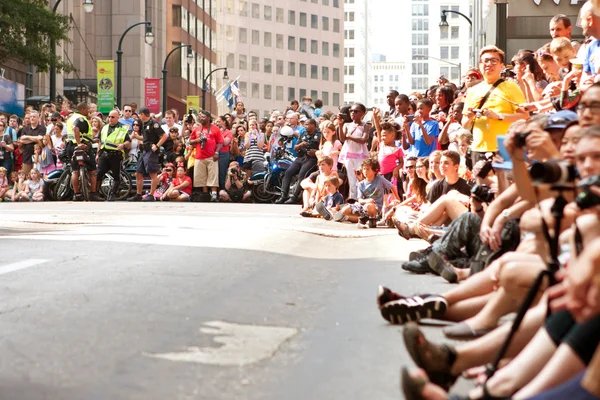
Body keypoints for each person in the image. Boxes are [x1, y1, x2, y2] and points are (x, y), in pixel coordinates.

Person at [462, 46, 527, 162]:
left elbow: (525, 116)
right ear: (480, 65)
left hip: (504, 148)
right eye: (485, 61)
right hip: (478, 149)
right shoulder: (472, 90)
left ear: (502, 65)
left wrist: (499, 116)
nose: (489, 64)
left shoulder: (511, 86)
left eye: (494, 61)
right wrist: (469, 117)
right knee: (480, 181)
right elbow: (465, 125)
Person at [333, 158, 399, 229]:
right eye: (364, 169)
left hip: (375, 206)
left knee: (369, 206)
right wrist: (366, 201)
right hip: (362, 206)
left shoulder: (379, 179)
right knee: (345, 210)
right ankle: (348, 217)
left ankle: (366, 219)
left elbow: (392, 186)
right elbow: (360, 200)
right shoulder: (361, 184)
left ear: (374, 171)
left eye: (368, 169)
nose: (365, 171)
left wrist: (397, 199)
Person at [276, 118, 321, 204]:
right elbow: (295, 148)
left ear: (313, 125)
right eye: (305, 125)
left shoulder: (319, 135)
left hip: (311, 158)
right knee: (288, 172)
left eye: (308, 124)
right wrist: (301, 145)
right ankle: (283, 196)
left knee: (302, 175)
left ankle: (294, 197)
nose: (305, 126)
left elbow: (321, 148)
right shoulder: (303, 134)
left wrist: (315, 152)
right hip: (300, 157)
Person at [128, 107, 167, 202]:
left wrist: (157, 146)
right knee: (138, 173)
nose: (139, 117)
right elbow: (146, 138)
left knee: (152, 173)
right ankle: (138, 194)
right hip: (144, 150)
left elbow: (164, 136)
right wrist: (137, 137)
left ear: (142, 114)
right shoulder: (145, 124)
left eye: (139, 115)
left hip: (151, 151)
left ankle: (151, 195)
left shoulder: (154, 123)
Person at [65, 103, 99, 201]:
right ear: (82, 109)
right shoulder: (80, 118)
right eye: (87, 109)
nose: (89, 111)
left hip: (71, 146)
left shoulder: (70, 118)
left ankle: (77, 194)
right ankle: (93, 193)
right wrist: (79, 143)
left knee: (75, 171)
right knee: (92, 170)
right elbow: (76, 129)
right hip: (82, 146)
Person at [96, 110, 131, 201]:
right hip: (104, 154)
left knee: (116, 175)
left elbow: (128, 141)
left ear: (118, 117)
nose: (110, 119)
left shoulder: (122, 128)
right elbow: (100, 141)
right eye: (109, 117)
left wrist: (123, 145)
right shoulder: (104, 127)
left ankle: (113, 194)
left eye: (112, 117)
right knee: (99, 173)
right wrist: (98, 153)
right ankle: (96, 193)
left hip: (116, 154)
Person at [189, 110, 223, 202]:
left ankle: (214, 194)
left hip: (211, 156)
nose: (201, 118)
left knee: (213, 175)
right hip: (199, 156)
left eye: (203, 117)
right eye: (200, 117)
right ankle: (206, 195)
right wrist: (197, 140)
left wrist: (216, 152)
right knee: (201, 177)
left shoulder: (215, 128)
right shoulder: (196, 129)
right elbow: (190, 141)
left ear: (208, 118)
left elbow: (220, 142)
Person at [338, 103, 370, 200]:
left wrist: (349, 136)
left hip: (360, 155)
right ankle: (353, 198)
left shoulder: (365, 126)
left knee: (360, 178)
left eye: (356, 111)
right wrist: (340, 124)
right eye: (351, 111)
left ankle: (361, 198)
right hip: (349, 155)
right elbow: (342, 138)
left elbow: (363, 139)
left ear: (362, 113)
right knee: (351, 179)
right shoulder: (347, 125)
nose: (353, 113)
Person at [18, 110, 45, 175]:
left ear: (38, 118)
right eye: (31, 117)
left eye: (34, 116)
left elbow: (40, 138)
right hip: (26, 157)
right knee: (26, 177)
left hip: (38, 158)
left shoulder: (42, 128)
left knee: (38, 177)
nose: (32, 118)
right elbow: (21, 140)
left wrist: (27, 137)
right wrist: (35, 138)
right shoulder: (25, 129)